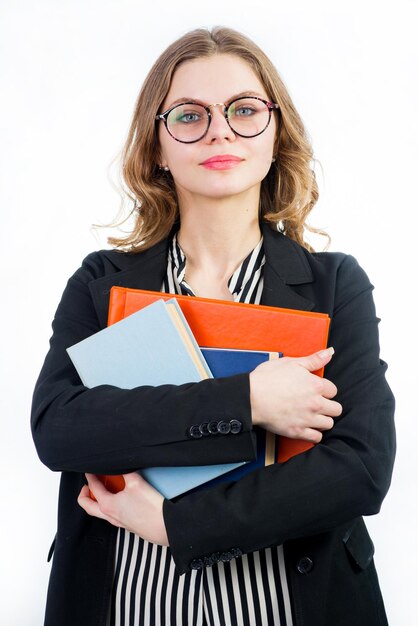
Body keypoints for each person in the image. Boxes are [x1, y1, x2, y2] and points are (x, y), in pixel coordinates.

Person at [31, 26, 396, 626]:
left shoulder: (333, 286)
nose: (220, 130)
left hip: (288, 606)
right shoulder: (101, 284)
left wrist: (177, 525)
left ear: (276, 135)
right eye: (189, 115)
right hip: (131, 605)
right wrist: (248, 399)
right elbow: (61, 431)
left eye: (245, 110)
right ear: (157, 146)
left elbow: (359, 469)